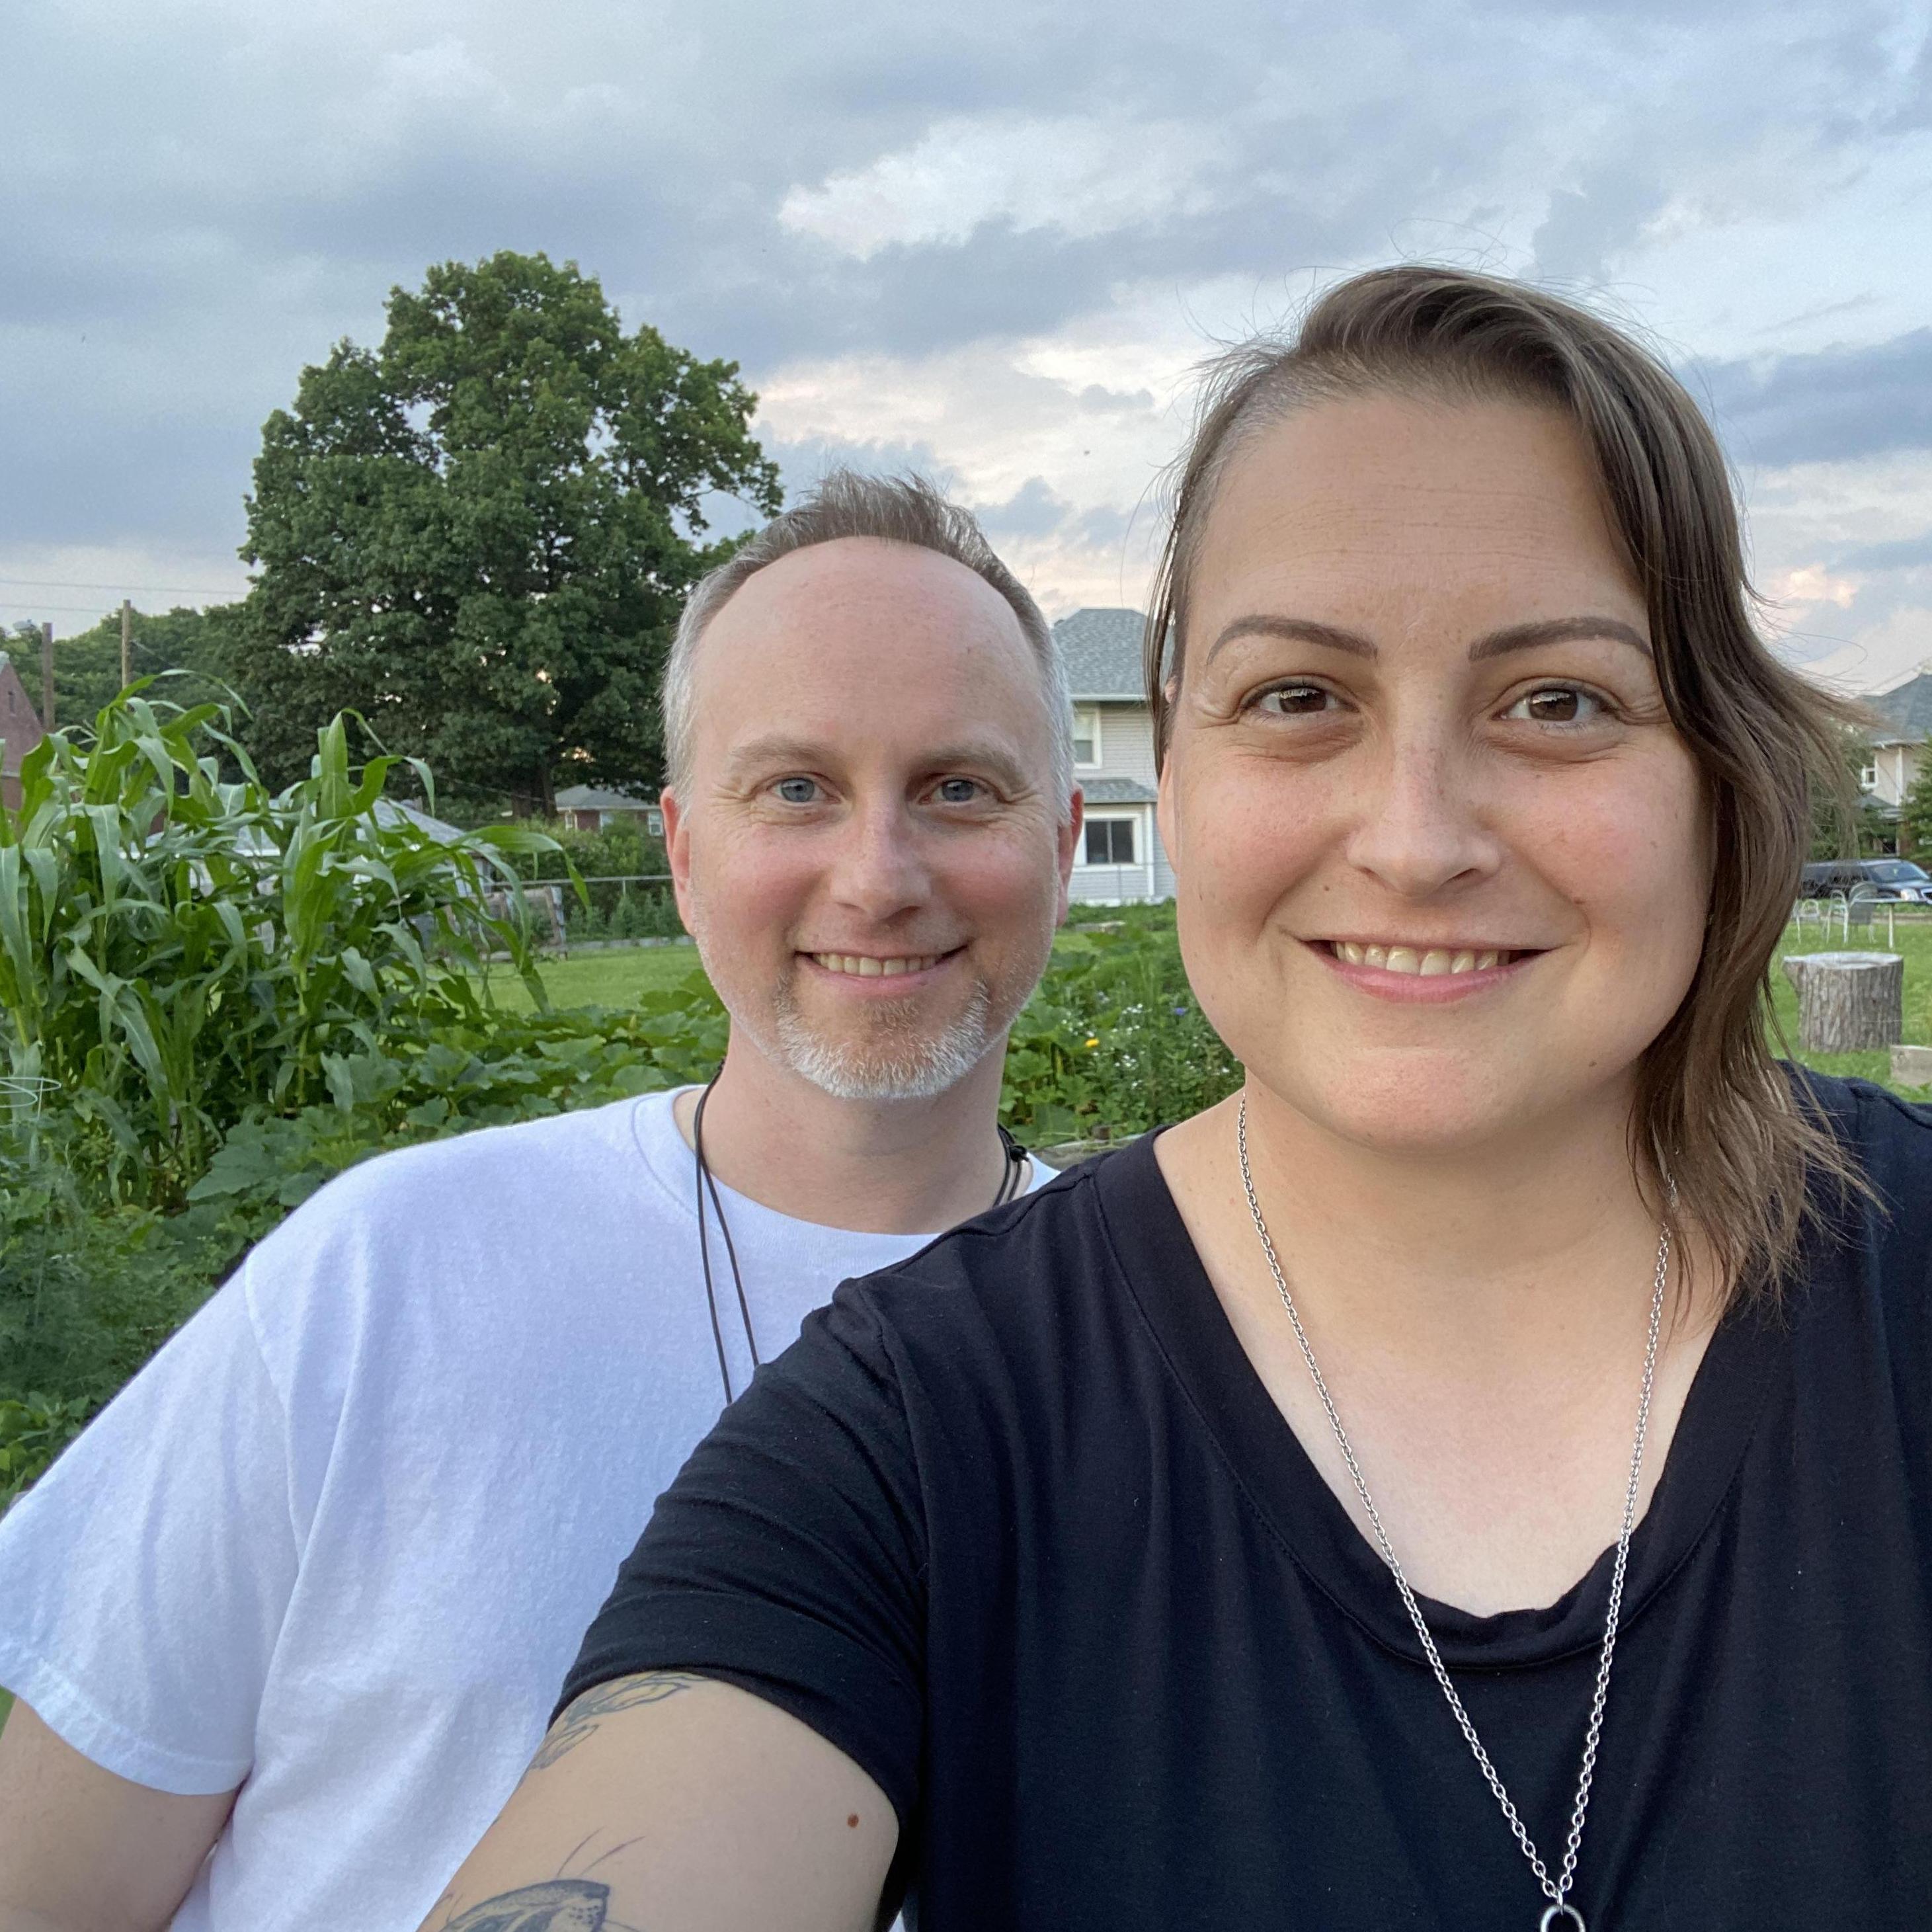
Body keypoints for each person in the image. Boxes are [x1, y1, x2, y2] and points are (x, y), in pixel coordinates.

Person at [423, 267, 1932, 1932]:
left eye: (1559, 702)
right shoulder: (918, 1437)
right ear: (1181, 781)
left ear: (1716, 779)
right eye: (1300, 699)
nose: (1418, 838)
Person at [0, 472, 1082, 1932]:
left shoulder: (1168, 1345)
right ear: (686, 851)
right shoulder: (385, 1276)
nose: (877, 875)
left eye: (959, 787)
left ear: (1065, 842)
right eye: (796, 789)